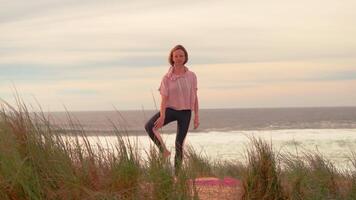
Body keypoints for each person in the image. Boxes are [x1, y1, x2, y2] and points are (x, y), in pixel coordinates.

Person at [144, 44, 200, 174]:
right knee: (149, 126)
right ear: (172, 58)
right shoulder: (167, 78)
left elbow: (195, 96)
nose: (179, 58)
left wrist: (196, 116)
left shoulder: (192, 76)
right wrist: (162, 115)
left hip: (186, 112)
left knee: (179, 145)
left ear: (185, 57)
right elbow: (164, 99)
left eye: (181, 56)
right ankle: (164, 151)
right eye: (176, 56)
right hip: (171, 110)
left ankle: (177, 176)